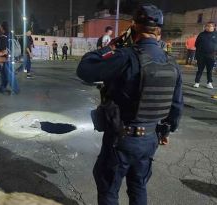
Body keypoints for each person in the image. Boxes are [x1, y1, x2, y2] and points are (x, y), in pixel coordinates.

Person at [77, 4, 183, 205]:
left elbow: (85, 69)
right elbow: (176, 107)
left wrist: (112, 46)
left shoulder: (125, 56)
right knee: (138, 187)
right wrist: (165, 133)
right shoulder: (172, 63)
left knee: (109, 189)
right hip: (150, 139)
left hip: (121, 139)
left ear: (133, 29)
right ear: (159, 32)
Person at [193, 22, 217, 89]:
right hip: (201, 55)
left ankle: (209, 82)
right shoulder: (201, 34)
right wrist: (197, 54)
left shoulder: (216, 34)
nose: (209, 27)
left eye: (211, 26)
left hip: (211, 56)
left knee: (210, 70)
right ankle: (197, 82)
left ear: (214, 27)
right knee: (200, 69)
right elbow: (196, 44)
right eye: (207, 26)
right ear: (205, 27)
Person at [0, 21, 19, 94]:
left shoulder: (2, 37)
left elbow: (2, 50)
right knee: (5, 73)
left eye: (0, 26)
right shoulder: (12, 35)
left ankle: (15, 89)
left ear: (2, 27)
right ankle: (2, 87)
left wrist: (0, 60)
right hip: (12, 57)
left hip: (5, 58)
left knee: (9, 74)